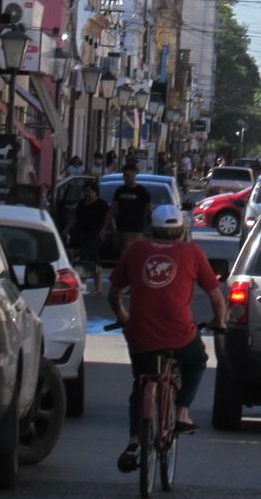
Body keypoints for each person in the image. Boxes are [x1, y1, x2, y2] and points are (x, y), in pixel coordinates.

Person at [107, 208, 227, 472]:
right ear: (182, 229)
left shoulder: (136, 250)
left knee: (140, 385)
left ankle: (134, 441)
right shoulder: (192, 252)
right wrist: (220, 323)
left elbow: (114, 294)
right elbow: (217, 299)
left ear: (153, 227)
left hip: (140, 333)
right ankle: (182, 411)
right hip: (180, 333)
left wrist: (125, 318)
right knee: (197, 362)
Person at [106, 163, 153, 251]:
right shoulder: (120, 191)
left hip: (136, 230)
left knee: (132, 252)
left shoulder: (142, 191)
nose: (125, 178)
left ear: (134, 174)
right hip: (121, 229)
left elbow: (149, 211)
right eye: (124, 175)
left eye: (127, 175)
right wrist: (104, 227)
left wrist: (150, 225)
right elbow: (112, 209)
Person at [66, 181, 108, 264]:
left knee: (90, 252)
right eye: (84, 191)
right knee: (84, 252)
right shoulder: (81, 204)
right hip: (83, 233)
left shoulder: (102, 204)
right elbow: (75, 217)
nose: (86, 193)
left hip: (96, 234)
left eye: (88, 191)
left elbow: (108, 218)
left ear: (95, 192)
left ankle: (93, 269)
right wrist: (67, 228)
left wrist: (106, 231)